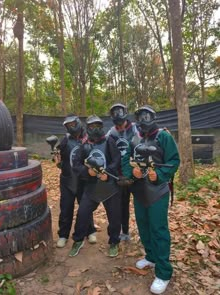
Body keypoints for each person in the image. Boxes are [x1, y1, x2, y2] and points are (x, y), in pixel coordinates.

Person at [122, 105, 180, 294]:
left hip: (158, 191)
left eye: (147, 115)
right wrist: (133, 172)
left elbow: (174, 160)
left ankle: (163, 272)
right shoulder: (133, 137)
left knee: (159, 229)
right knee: (143, 226)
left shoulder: (164, 136)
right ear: (136, 119)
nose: (144, 119)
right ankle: (151, 257)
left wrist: (160, 174)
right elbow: (125, 161)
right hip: (139, 191)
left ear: (154, 116)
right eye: (140, 116)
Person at [69, 115, 122, 258]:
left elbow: (117, 160)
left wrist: (108, 172)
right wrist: (88, 172)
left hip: (109, 186)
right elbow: (76, 164)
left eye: (98, 126)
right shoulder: (84, 145)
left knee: (115, 216)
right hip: (92, 186)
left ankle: (114, 241)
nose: (96, 129)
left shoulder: (110, 141)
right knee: (83, 213)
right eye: (92, 127)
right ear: (87, 128)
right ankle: (78, 240)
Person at [55, 114, 97, 248]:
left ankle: (90, 231)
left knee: (85, 208)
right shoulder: (65, 140)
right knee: (66, 208)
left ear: (78, 123)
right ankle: (63, 235)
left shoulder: (89, 138)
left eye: (73, 124)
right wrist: (57, 161)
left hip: (84, 180)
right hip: (67, 179)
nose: (71, 127)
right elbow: (58, 156)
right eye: (68, 125)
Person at [107, 103, 138, 241]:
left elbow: (150, 137)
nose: (118, 115)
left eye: (120, 112)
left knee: (142, 204)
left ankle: (145, 234)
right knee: (122, 205)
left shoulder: (136, 129)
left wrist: (162, 131)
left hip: (137, 174)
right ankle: (125, 232)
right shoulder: (111, 133)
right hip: (120, 176)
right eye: (115, 113)